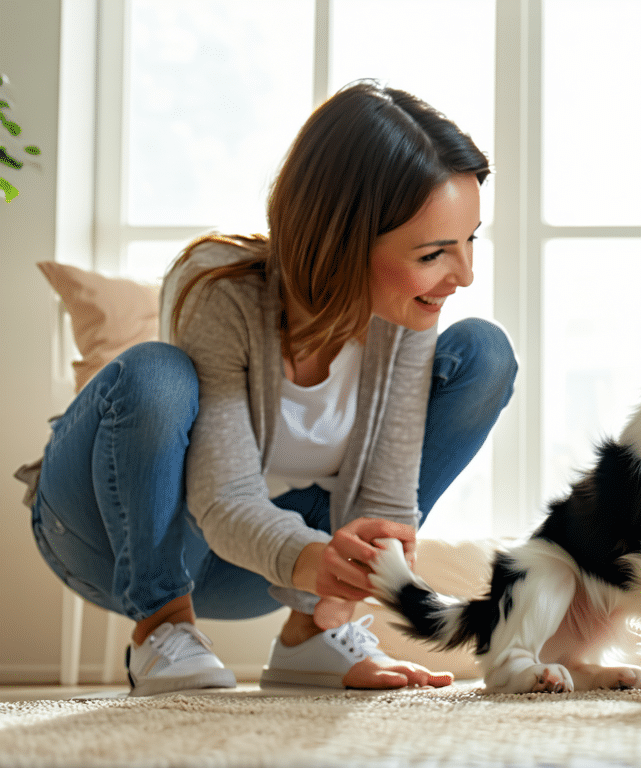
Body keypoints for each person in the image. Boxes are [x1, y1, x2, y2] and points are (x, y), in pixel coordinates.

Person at [20, 81, 518, 695]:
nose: (463, 275)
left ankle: (313, 638)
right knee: (154, 373)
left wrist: (343, 584)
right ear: (344, 238)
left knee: (485, 352)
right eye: (435, 253)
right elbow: (223, 495)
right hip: (105, 536)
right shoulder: (218, 289)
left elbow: (386, 500)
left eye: (470, 241)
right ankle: (161, 627)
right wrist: (316, 560)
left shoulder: (405, 312)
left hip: (247, 567)